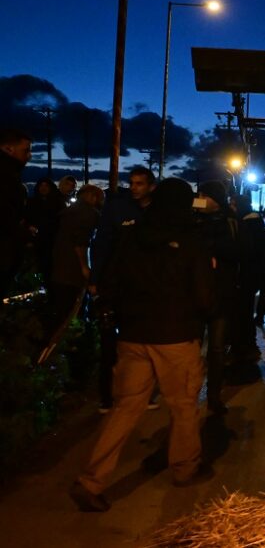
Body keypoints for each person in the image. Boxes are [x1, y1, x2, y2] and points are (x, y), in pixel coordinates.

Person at [70, 178, 217, 512]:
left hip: (133, 336)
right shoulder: (191, 240)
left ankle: (90, 480)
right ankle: (184, 469)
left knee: (125, 408)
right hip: (176, 336)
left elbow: (110, 282)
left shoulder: (132, 235)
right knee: (182, 407)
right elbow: (205, 296)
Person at [90, 165, 156, 413]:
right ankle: (107, 397)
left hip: (143, 287)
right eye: (133, 183)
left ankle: (143, 392)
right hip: (116, 284)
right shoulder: (117, 208)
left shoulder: (156, 211)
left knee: (142, 342)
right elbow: (102, 244)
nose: (135, 188)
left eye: (140, 183)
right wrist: (95, 279)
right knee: (110, 343)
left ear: (151, 186)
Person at [195, 181, 240, 414]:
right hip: (194, 295)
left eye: (204, 195)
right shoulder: (192, 221)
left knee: (216, 349)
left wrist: (212, 250)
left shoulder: (229, 222)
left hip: (220, 294)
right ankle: (187, 396)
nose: (199, 199)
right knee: (191, 349)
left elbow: (238, 252)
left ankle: (213, 397)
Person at [40, 185, 103, 354]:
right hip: (72, 272)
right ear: (91, 196)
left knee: (59, 309)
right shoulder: (89, 214)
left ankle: (49, 347)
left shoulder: (67, 213)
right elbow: (81, 242)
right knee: (71, 314)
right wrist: (85, 267)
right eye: (99, 197)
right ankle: (63, 350)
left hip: (59, 268)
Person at [227, 193, 265, 384]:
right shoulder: (253, 222)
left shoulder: (248, 224)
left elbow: (245, 253)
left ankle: (244, 352)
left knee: (242, 314)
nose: (231, 208)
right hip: (249, 278)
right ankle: (247, 348)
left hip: (245, 277)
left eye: (233, 205)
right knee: (244, 314)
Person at [0, 128, 32, 285]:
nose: (29, 156)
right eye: (25, 151)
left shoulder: (11, 175)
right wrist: (23, 233)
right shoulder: (6, 177)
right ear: (8, 148)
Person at [24, 177, 64, 276]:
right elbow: (25, 219)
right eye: (41, 185)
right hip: (35, 239)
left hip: (52, 240)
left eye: (46, 186)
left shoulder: (57, 202)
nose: (43, 188)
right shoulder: (32, 202)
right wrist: (29, 228)